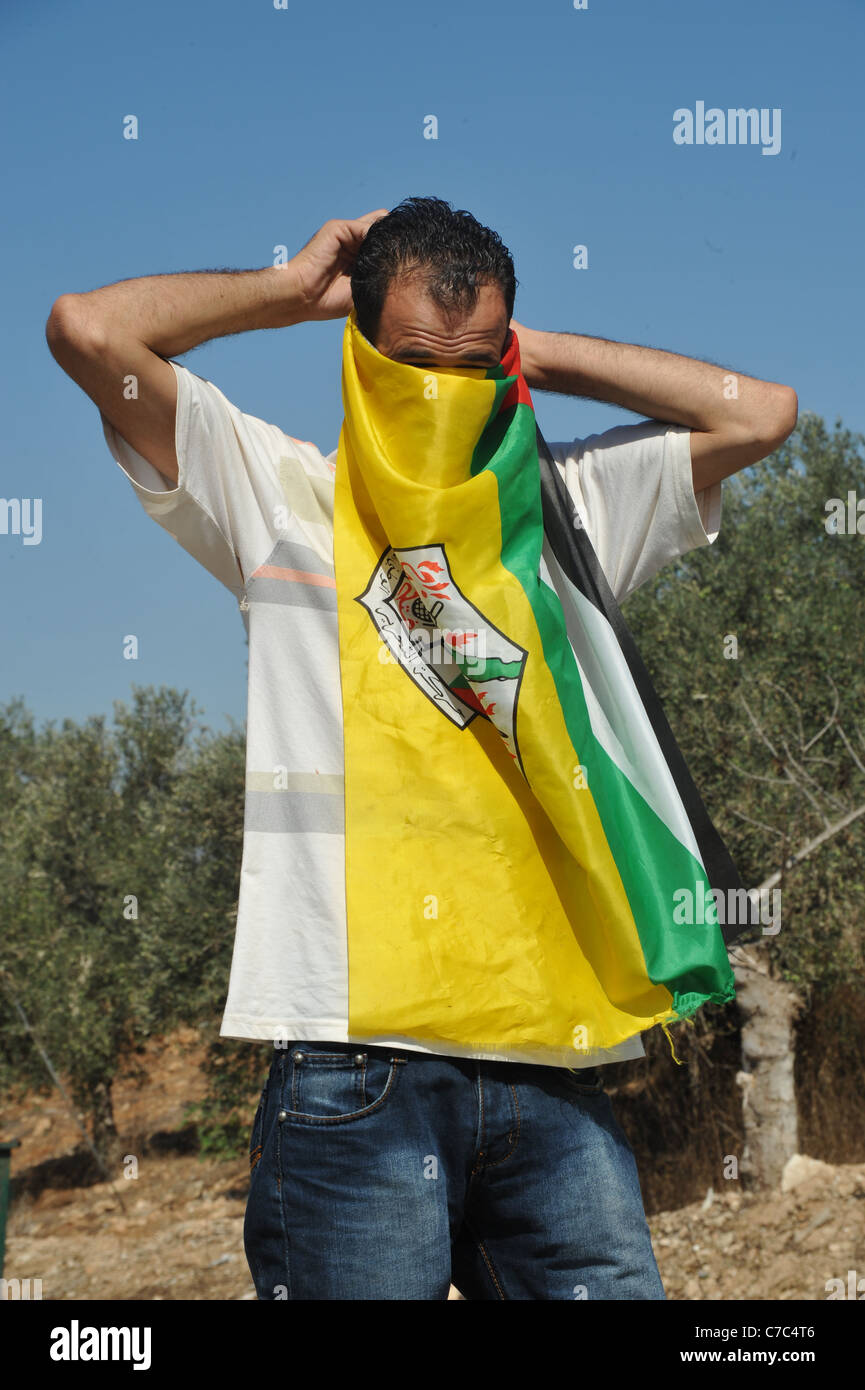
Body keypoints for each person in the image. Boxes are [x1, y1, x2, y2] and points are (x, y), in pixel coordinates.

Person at [45, 195, 797, 1301]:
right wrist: (288, 290)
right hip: (355, 1064)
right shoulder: (282, 497)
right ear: (357, 346)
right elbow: (87, 333)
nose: (441, 392)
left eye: (472, 365)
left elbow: (761, 414)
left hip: (555, 1063)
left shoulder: (567, 512)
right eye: (411, 361)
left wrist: (532, 350)